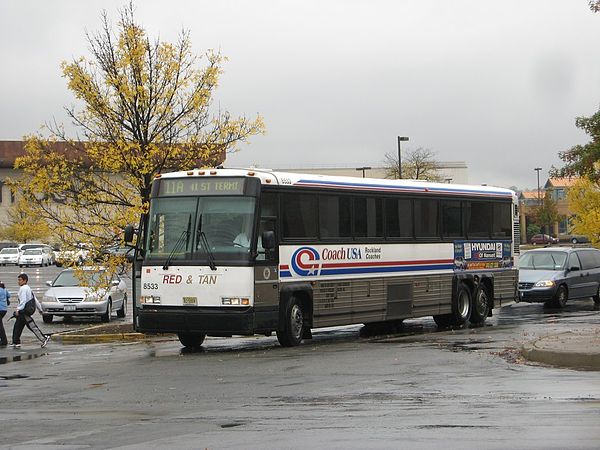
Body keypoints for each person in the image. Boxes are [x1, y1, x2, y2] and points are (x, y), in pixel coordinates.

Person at [11, 273, 50, 348]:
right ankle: (16, 342)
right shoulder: (28, 288)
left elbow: (23, 301)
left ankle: (44, 338)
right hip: (24, 311)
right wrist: (40, 309)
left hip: (24, 311)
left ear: (25, 280)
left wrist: (18, 310)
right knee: (17, 326)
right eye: (18, 280)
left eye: (20, 280)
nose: (18, 282)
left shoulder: (23, 288)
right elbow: (35, 300)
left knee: (31, 326)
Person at [0, 281, 9, 347]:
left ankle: (4, 340)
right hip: (4, 309)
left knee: (0, 326)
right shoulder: (4, 289)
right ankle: (3, 340)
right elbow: (9, 295)